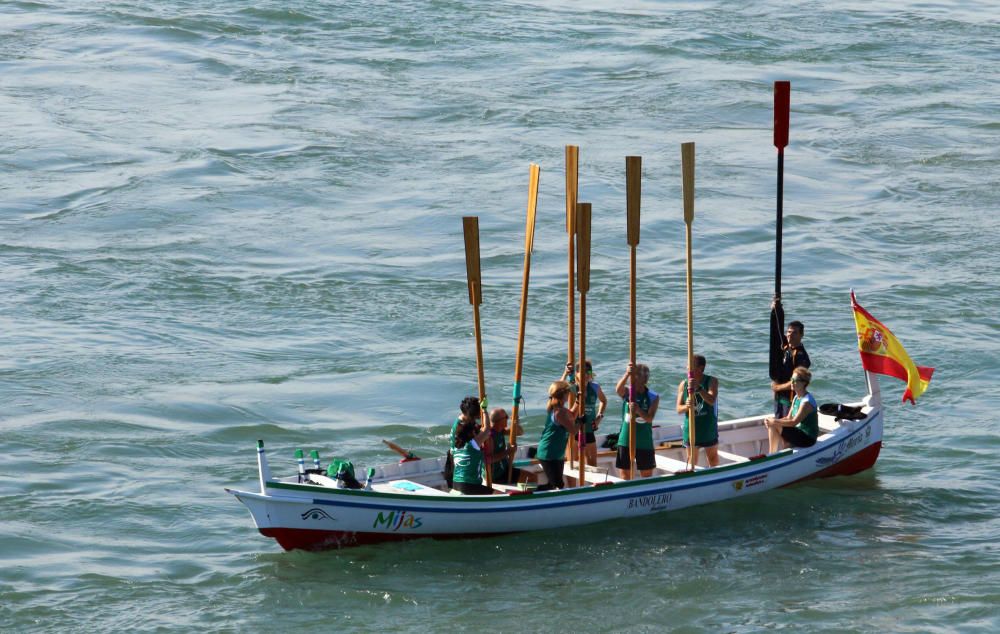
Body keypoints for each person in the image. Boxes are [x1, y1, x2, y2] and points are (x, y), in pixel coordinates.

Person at [615, 362, 659, 479]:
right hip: (626, 439)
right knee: (625, 474)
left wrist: (638, 410)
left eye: (647, 375)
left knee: (646, 474)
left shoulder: (653, 396)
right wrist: (626, 374)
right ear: (635, 376)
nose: (645, 377)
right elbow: (618, 390)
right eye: (642, 374)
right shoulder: (629, 392)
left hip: (644, 441)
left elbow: (649, 418)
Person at [675, 354, 719, 467]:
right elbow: (678, 409)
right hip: (691, 429)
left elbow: (712, 400)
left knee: (713, 459)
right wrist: (686, 406)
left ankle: (715, 480)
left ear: (701, 368)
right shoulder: (683, 384)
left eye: (691, 366)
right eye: (687, 365)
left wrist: (699, 388)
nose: (688, 368)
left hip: (708, 427)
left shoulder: (711, 381)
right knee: (692, 461)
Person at [561, 359, 608, 466]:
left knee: (592, 463)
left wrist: (599, 417)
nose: (586, 375)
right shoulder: (572, 386)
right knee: (573, 463)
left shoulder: (595, 387)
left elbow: (604, 401)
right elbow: (557, 390)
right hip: (573, 429)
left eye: (589, 372)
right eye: (583, 372)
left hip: (589, 429)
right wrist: (565, 373)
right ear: (576, 374)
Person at [764, 366, 819, 453]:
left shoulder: (807, 402)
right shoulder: (797, 397)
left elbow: (794, 422)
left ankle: (772, 454)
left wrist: (774, 422)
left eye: (795, 380)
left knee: (774, 424)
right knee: (773, 423)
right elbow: (788, 418)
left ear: (804, 383)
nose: (792, 383)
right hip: (799, 432)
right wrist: (773, 421)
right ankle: (778, 451)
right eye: (791, 379)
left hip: (808, 438)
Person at [770, 302, 811, 418]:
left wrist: (777, 387)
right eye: (788, 332)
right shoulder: (786, 346)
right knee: (779, 425)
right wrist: (775, 310)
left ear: (801, 335)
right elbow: (777, 328)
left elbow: (797, 382)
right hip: (779, 397)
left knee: (786, 430)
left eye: (794, 333)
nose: (790, 335)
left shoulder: (801, 356)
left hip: (791, 400)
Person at [536, 380, 577, 490]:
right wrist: (581, 422)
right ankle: (534, 494)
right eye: (568, 393)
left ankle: (537, 493)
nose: (569, 395)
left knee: (552, 484)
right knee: (558, 485)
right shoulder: (559, 412)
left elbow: (572, 415)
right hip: (548, 454)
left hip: (556, 454)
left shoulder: (559, 409)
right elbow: (573, 430)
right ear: (563, 395)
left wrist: (578, 401)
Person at [446, 396, 481, 488]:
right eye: (475, 416)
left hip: (459, 460)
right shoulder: (461, 426)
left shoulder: (465, 419)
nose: (476, 419)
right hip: (457, 464)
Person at [488, 407, 523, 484]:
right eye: (506, 417)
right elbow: (489, 459)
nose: (508, 418)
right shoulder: (489, 436)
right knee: (532, 477)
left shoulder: (500, 430)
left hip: (505, 467)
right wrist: (508, 451)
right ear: (500, 421)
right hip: (497, 475)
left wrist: (515, 422)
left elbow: (520, 432)